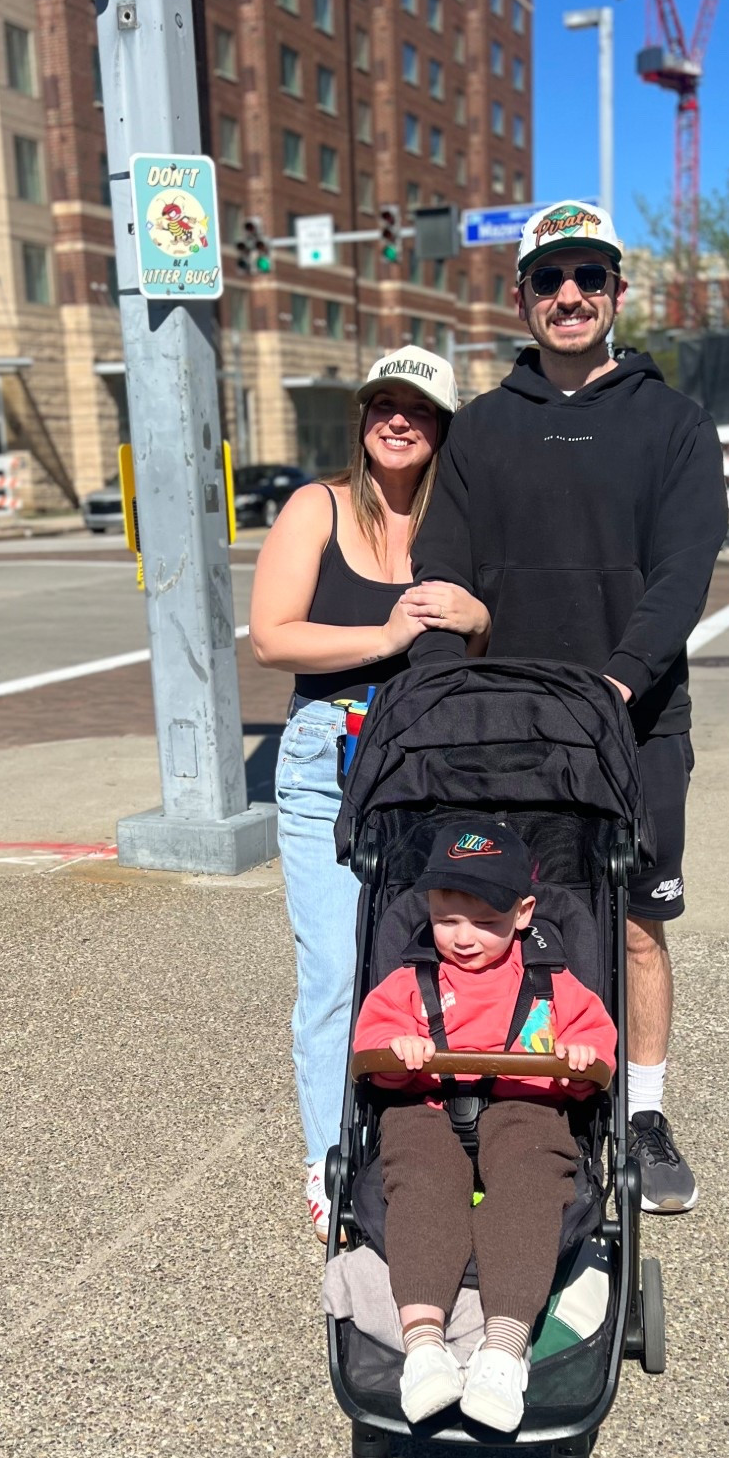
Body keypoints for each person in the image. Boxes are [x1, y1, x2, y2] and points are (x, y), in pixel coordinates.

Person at [406, 199, 727, 1216]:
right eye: (550, 279)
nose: (571, 295)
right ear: (523, 297)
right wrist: (438, 684)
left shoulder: (672, 422)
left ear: (617, 293)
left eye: (590, 277)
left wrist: (622, 677)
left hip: (633, 720)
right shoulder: (484, 430)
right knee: (505, 911)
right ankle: (518, 1091)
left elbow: (685, 569)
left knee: (635, 924)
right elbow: (441, 570)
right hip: (510, 727)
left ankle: (642, 1109)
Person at [249, 348, 490, 1241]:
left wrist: (479, 623)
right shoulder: (318, 506)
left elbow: (486, 633)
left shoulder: (455, 523)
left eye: (418, 409)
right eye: (383, 404)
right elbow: (272, 639)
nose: (398, 420)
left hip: (427, 759)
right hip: (329, 758)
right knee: (336, 972)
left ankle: (424, 1145)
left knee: (431, 959)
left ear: (441, 427)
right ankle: (327, 1158)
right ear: (361, 418)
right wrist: (387, 633)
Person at [352, 819, 616, 1431]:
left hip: (526, 1106)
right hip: (426, 1106)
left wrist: (577, 1062)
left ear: (524, 913)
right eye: (448, 920)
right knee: (419, 1182)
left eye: (485, 922)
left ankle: (502, 1349)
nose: (464, 937)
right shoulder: (407, 985)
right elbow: (370, 1052)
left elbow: (597, 1050)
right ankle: (423, 1347)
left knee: (530, 1181)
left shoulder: (554, 984)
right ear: (428, 910)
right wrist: (396, 1055)